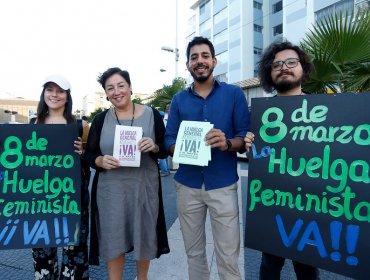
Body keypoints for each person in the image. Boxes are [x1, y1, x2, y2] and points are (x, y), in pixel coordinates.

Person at [165, 36, 250, 280]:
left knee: (228, 255)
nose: (199, 61)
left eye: (204, 56)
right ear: (188, 65)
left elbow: (243, 137)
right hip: (187, 184)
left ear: (214, 61)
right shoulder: (178, 99)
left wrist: (227, 143)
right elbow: (169, 138)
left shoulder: (234, 94)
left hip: (223, 185)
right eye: (194, 57)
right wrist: (179, 148)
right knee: (194, 253)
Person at [84, 67, 170, 280]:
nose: (116, 91)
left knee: (145, 235)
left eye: (121, 85)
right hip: (111, 192)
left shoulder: (151, 114)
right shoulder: (101, 120)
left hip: (143, 189)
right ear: (106, 93)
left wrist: (155, 146)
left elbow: (165, 148)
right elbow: (88, 154)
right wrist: (99, 160)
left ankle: (143, 278)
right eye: (110, 88)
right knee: (113, 240)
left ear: (130, 87)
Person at [244, 40, 319, 280]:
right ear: (269, 73)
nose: (284, 67)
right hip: (273, 205)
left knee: (307, 270)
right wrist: (249, 147)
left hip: (311, 209)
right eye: (276, 64)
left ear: (302, 68)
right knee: (269, 267)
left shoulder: (324, 111)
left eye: (290, 62)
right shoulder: (261, 114)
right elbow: (257, 159)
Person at [31, 74, 90, 279]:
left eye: (60, 91)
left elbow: (89, 161)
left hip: (72, 200)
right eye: (50, 89)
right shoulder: (33, 124)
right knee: (42, 253)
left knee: (74, 252)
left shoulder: (81, 126)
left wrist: (82, 154)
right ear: (43, 94)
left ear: (67, 96)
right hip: (40, 201)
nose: (54, 95)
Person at [158, 111, 170, 176]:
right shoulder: (166, 122)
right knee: (166, 157)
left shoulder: (160, 123)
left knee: (162, 158)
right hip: (167, 141)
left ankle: (164, 171)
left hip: (163, 141)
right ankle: (167, 170)